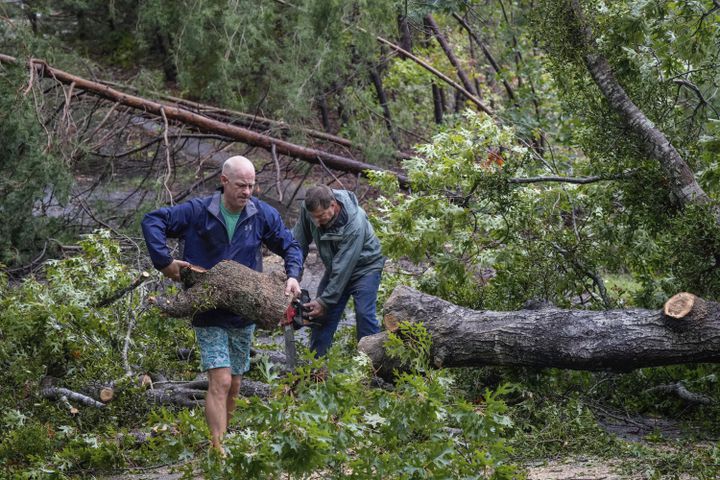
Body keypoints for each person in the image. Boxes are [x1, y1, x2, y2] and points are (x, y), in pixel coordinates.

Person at [141, 155, 302, 453]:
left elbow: (290, 244)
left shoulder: (260, 214)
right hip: (207, 309)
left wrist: (293, 275)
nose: (247, 192)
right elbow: (152, 220)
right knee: (221, 380)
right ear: (224, 181)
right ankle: (217, 448)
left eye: (252, 185)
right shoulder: (197, 212)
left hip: (244, 313)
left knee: (236, 384)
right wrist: (164, 262)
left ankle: (224, 440)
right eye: (241, 185)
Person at [291, 184, 385, 357]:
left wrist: (325, 301)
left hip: (365, 268)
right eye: (313, 218)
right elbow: (298, 242)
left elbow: (344, 267)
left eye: (320, 216)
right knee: (320, 316)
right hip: (336, 265)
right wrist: (293, 275)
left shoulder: (354, 223)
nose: (316, 222)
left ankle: (371, 367)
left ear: (333, 206)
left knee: (364, 314)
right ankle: (316, 365)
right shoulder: (309, 209)